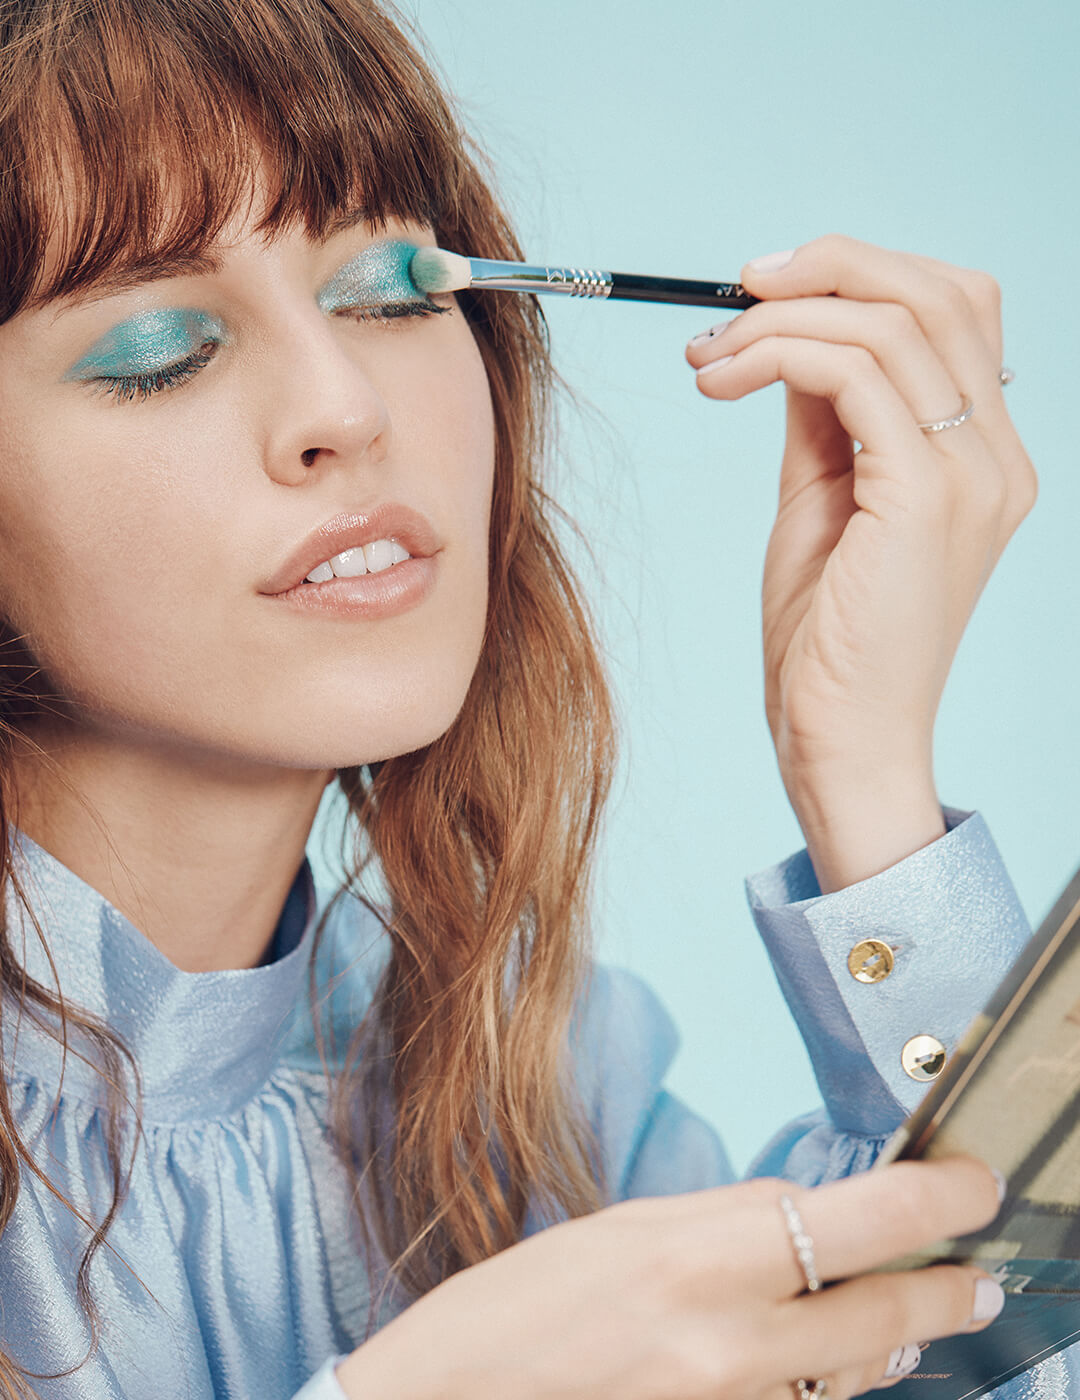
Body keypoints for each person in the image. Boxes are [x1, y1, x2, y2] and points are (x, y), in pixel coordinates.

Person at [0, 2, 1063, 1398]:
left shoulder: (547, 1081)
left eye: (388, 290)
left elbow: (995, 1337)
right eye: (159, 352)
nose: (343, 403)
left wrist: (864, 774)